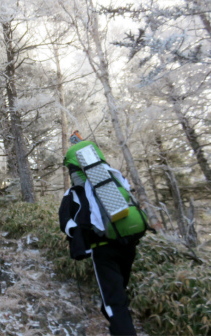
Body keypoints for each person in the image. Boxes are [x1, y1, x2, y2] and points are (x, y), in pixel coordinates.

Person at [59, 132, 140, 336]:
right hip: (128, 244)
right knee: (119, 293)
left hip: (102, 250)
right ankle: (117, 318)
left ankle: (120, 324)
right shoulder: (116, 178)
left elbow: (66, 223)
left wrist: (76, 238)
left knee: (115, 304)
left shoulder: (73, 192)